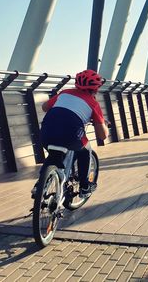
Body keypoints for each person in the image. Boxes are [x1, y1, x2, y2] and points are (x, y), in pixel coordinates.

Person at [35, 69, 109, 198]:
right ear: (96, 88)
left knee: (53, 154)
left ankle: (39, 186)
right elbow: (102, 136)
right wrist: (103, 123)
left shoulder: (64, 93)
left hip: (46, 131)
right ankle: (85, 186)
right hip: (71, 135)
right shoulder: (93, 104)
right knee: (86, 150)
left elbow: (45, 107)